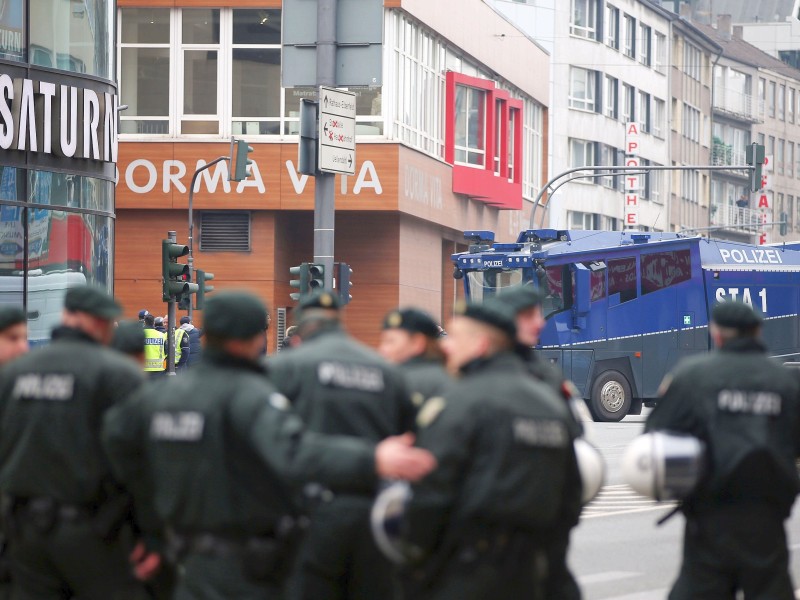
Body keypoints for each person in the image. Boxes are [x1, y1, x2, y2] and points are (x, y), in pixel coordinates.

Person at [102, 290, 436, 600]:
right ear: (254, 339)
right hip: (251, 564)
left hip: (186, 558)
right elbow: (292, 451)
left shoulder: (158, 397)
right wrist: (372, 458)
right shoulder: (250, 393)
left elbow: (115, 443)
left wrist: (147, 520)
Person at [400, 300, 581, 600]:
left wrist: (416, 565)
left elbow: (430, 495)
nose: (446, 347)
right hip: (537, 571)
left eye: (455, 339)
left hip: (468, 572)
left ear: (481, 345)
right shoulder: (552, 405)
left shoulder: (461, 402)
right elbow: (571, 495)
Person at [0, 285, 151, 600]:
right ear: (97, 323)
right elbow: (141, 459)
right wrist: (152, 534)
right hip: (95, 531)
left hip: (23, 530)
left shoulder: (15, 374)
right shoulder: (118, 374)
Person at [267, 290, 417, 600]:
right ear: (339, 319)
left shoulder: (285, 367)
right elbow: (408, 438)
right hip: (375, 515)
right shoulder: (387, 371)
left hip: (306, 514)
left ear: (302, 326)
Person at [644, 301, 800, 600]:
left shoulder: (693, 376)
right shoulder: (786, 381)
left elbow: (653, 440)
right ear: (757, 332)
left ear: (716, 334)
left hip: (708, 523)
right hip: (766, 524)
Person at [496, 286, 586, 600]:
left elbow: (574, 445)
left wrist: (566, 518)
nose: (539, 323)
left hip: (547, 531)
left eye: (538, 314)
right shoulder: (483, 375)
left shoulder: (549, 377)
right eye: (528, 316)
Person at [378, 308, 452, 410]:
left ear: (417, 343)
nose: (383, 349)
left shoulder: (394, 382)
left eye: (391, 341)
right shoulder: (453, 377)